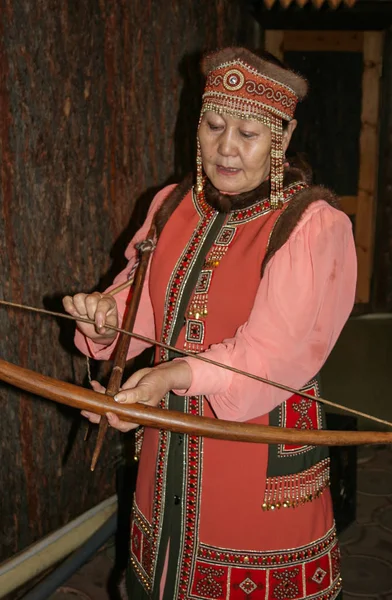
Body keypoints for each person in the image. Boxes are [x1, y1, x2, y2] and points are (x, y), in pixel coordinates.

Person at [63, 47, 356, 600]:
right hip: (167, 441)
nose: (226, 148)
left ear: (283, 137)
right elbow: (140, 308)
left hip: (254, 451)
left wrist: (172, 377)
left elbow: (274, 355)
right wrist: (105, 319)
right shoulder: (172, 204)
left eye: (248, 133)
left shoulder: (313, 225)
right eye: (215, 125)